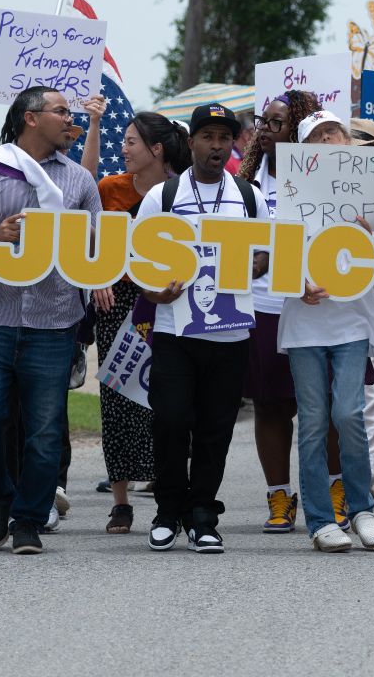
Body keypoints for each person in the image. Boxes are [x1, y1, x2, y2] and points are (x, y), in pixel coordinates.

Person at [0, 86, 103, 554]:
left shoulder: (79, 182)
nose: (69, 119)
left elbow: (97, 245)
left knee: (44, 428)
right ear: (30, 119)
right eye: (61, 112)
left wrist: (94, 261)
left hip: (54, 322)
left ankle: (29, 519)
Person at [137, 103, 266, 554]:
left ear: (234, 144)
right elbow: (138, 260)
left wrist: (252, 263)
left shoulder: (249, 197)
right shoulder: (163, 197)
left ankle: (204, 514)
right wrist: (155, 292)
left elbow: (268, 255)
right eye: (208, 137)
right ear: (190, 142)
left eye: (224, 138)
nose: (217, 146)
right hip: (175, 332)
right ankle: (167, 511)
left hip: (230, 335)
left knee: (216, 430)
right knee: (171, 421)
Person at [277, 109, 374, 552]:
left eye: (335, 133)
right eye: (318, 136)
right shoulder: (288, 194)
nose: (329, 141)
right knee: (313, 422)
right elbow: (273, 251)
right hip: (304, 325)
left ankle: (361, 509)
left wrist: (370, 229)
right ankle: (321, 520)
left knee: (348, 414)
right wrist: (294, 283)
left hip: (353, 320)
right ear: (305, 151)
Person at [93, 111, 191, 535]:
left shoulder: (180, 192)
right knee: (117, 396)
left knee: (166, 398)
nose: (124, 148)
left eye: (132, 142)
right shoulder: (108, 189)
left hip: (168, 303)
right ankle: (120, 502)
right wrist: (98, 278)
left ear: (156, 150)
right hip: (115, 301)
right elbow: (92, 243)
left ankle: (169, 487)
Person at [239, 90, 321, 533]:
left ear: (301, 128)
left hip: (318, 304)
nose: (265, 130)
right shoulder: (247, 181)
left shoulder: (326, 177)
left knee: (323, 407)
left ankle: (332, 491)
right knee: (271, 406)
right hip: (266, 304)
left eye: (277, 123)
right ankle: (278, 496)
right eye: (262, 121)